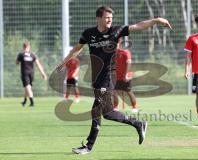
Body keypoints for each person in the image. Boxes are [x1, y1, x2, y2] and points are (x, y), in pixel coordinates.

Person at [56, 5, 172, 155]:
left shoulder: (116, 31)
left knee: (96, 110)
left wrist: (156, 20)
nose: (110, 20)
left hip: (108, 76)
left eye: (111, 18)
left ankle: (88, 146)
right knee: (108, 113)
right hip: (96, 78)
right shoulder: (88, 34)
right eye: (106, 17)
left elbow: (138, 26)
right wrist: (65, 61)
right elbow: (77, 49)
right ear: (98, 18)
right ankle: (138, 124)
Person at [16, 41, 47, 107]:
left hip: (25, 73)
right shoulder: (33, 55)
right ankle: (24, 101)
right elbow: (38, 65)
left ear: (23, 47)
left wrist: (19, 61)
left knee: (28, 88)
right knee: (27, 87)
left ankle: (32, 103)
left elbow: (16, 62)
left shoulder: (21, 54)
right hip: (32, 74)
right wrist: (43, 74)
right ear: (29, 47)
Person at [113, 38, 138, 113]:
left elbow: (129, 63)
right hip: (117, 76)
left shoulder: (125, 51)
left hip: (126, 76)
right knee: (114, 91)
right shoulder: (113, 53)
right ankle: (115, 107)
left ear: (119, 42)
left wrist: (126, 74)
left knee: (129, 91)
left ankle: (134, 107)